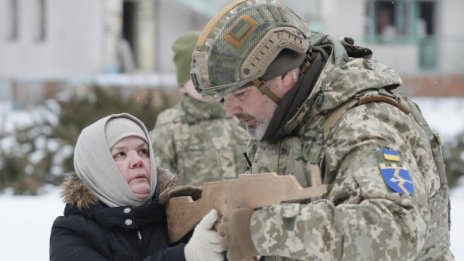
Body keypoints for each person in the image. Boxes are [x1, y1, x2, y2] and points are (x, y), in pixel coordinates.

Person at [190, 0, 453, 260]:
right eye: (225, 98)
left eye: (241, 93)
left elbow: (398, 230)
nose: (231, 110)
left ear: (285, 75)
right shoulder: (282, 116)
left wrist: (259, 230)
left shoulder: (363, 122)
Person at [49, 113, 224, 261]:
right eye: (120, 154)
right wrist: (185, 255)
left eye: (143, 151)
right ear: (97, 167)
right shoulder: (71, 232)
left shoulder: (180, 213)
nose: (138, 161)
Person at [150, 31, 250, 186]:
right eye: (199, 78)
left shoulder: (241, 118)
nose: (210, 82)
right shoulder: (172, 126)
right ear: (183, 85)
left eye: (215, 73)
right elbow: (159, 183)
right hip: (195, 209)